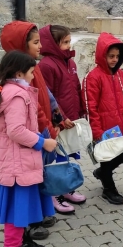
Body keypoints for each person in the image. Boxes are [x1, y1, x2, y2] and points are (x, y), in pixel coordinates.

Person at [0, 50, 57, 247]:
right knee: (17, 206)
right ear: (19, 74)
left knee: (19, 205)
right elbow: (16, 131)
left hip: (13, 158)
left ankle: (21, 241)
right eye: (31, 72)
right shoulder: (17, 96)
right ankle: (13, 246)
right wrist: (43, 142)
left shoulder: (3, 89)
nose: (33, 76)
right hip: (18, 160)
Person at [0, 20, 59, 241]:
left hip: (40, 131)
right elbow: (34, 110)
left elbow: (46, 95)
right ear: (20, 47)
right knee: (29, 182)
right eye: (35, 42)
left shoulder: (33, 69)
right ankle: (30, 224)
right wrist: (46, 128)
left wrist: (57, 112)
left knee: (39, 175)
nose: (40, 46)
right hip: (32, 135)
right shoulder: (16, 86)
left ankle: (40, 213)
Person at [38, 24, 87, 214]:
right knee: (56, 159)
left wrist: (81, 111)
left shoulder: (71, 63)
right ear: (52, 44)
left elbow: (76, 88)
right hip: (58, 122)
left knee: (69, 155)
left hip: (72, 120)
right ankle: (54, 195)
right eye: (64, 42)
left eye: (69, 41)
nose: (68, 46)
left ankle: (66, 189)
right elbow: (47, 97)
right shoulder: (46, 65)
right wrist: (60, 119)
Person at [82, 32, 123, 205]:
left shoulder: (122, 76)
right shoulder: (93, 77)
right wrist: (96, 131)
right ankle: (108, 188)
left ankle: (102, 173)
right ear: (101, 55)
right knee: (107, 158)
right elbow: (90, 107)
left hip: (118, 126)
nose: (114, 59)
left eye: (117, 56)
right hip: (104, 128)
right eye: (110, 56)